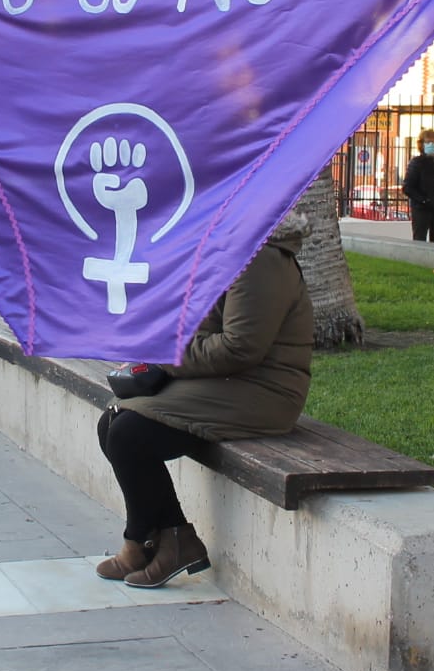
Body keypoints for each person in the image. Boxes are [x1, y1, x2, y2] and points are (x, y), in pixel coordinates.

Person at [95, 208, 314, 589]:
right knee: (113, 422)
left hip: (262, 391)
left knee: (129, 435)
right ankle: (169, 536)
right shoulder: (224, 247)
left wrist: (168, 357)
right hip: (223, 381)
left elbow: (241, 347)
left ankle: (142, 540)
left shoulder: (259, 257)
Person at [402, 128, 434, 243]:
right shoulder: (417, 162)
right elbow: (408, 187)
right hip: (421, 210)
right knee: (420, 240)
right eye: (427, 142)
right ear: (422, 144)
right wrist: (424, 200)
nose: (431, 145)